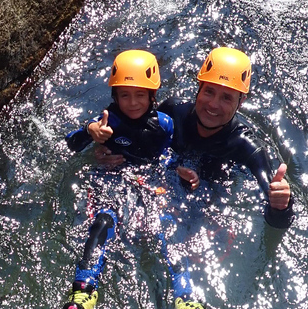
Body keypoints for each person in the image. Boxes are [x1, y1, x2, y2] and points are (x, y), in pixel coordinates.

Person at [94, 46, 294, 307]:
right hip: (161, 189)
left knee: (191, 254)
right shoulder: (172, 113)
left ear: (240, 102)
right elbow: (133, 141)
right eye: (209, 91)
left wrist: (281, 204)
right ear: (198, 88)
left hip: (209, 202)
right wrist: (104, 152)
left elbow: (276, 219)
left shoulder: (247, 148)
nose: (213, 104)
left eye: (226, 97)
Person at [62, 50, 195, 309]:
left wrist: (176, 174)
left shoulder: (164, 124)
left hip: (149, 181)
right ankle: (84, 291)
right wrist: (91, 132)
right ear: (115, 96)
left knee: (167, 227)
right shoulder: (106, 121)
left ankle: (185, 297)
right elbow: (72, 143)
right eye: (125, 95)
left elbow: (170, 155)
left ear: (152, 96)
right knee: (103, 221)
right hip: (111, 178)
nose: (132, 103)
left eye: (140, 95)